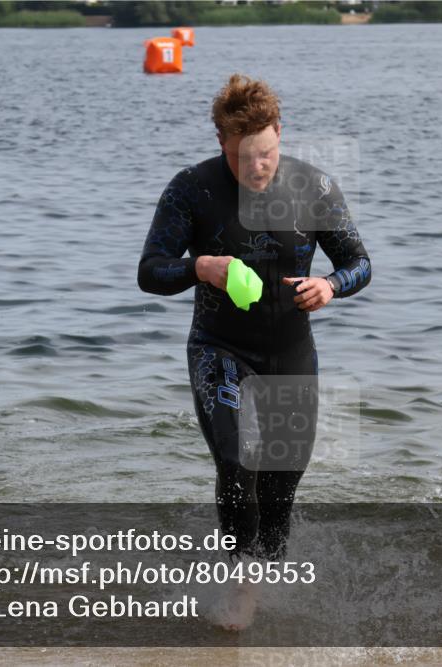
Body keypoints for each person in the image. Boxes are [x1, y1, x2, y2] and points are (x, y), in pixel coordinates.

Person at [137, 73, 372, 630]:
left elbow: (359, 263)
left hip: (290, 351)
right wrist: (200, 266)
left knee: (280, 484)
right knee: (237, 460)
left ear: (279, 133)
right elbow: (150, 271)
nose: (258, 167)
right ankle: (240, 582)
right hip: (219, 346)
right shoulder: (192, 189)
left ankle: (264, 577)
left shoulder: (314, 187)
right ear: (222, 142)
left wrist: (331, 285)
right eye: (244, 158)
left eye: (266, 153)